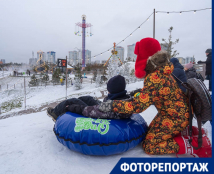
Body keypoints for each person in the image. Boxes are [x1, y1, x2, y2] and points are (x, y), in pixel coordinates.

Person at [67, 38, 211, 157]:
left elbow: (137, 106)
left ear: (147, 58)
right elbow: (154, 93)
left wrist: (112, 105)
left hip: (174, 117)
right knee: (150, 133)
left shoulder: (155, 77)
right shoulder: (162, 71)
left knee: (150, 145)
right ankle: (191, 133)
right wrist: (140, 93)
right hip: (175, 113)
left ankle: (193, 146)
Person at [47, 75, 134, 122]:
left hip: (103, 113)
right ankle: (76, 102)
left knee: (72, 101)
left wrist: (75, 108)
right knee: (88, 98)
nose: (108, 92)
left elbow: (93, 111)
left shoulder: (115, 107)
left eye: (109, 91)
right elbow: (105, 107)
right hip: (105, 108)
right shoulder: (124, 100)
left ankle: (55, 113)